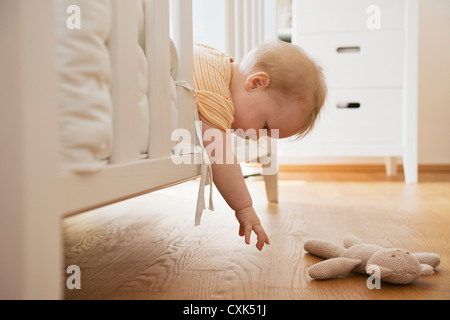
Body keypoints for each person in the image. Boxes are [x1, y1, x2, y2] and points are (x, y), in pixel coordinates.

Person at [193, 40, 327, 251]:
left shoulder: (214, 60)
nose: (257, 137)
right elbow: (221, 158)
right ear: (256, 83)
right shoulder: (217, 95)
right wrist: (244, 207)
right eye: (265, 126)